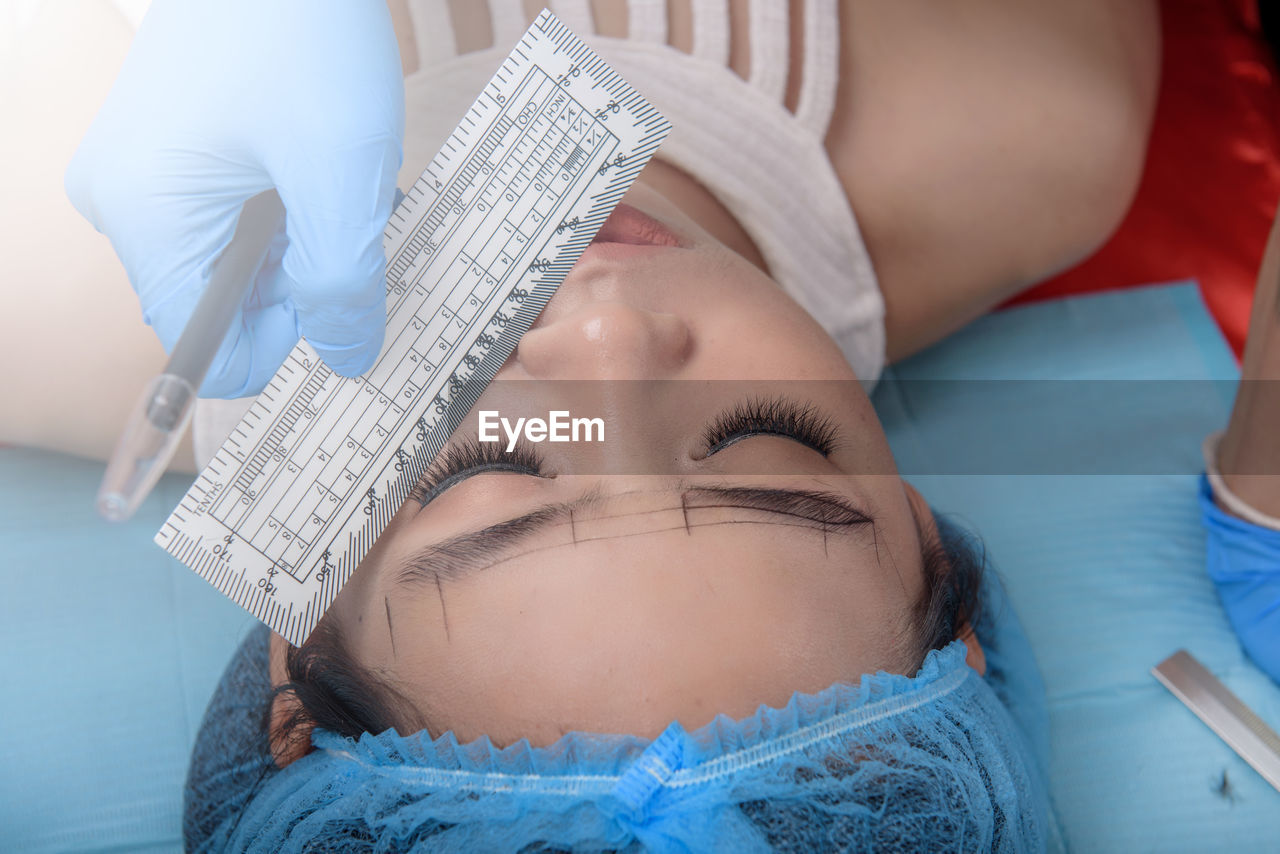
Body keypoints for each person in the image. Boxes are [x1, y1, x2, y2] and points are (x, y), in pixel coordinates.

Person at [38, 0, 1182, 851]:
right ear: (934, 550)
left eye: (486, 471)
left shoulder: (31, 260)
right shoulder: (1038, 127)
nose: (604, 340)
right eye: (757, 439)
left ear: (296, 653)